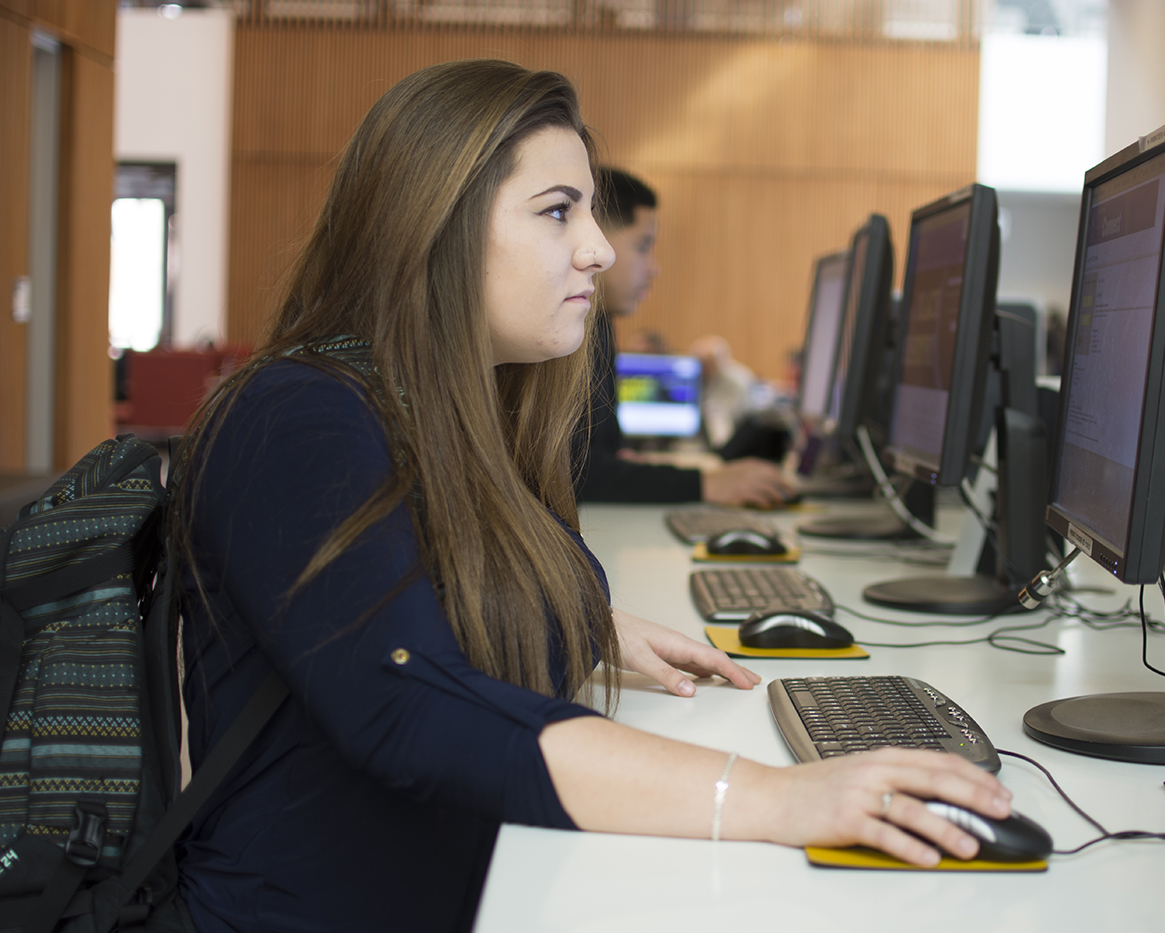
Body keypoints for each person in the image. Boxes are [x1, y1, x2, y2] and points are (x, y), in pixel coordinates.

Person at [170, 60, 1013, 933]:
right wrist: (774, 797)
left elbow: (395, 603)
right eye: (558, 210)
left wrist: (570, 616)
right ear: (435, 228)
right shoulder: (294, 417)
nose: (599, 249)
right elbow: (407, 703)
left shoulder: (449, 413)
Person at [574, 167, 794, 506]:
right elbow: (577, 475)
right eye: (643, 246)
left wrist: (630, 470)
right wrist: (706, 485)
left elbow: (598, 458)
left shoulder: (598, 326)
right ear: (595, 240)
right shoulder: (569, 335)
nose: (654, 267)